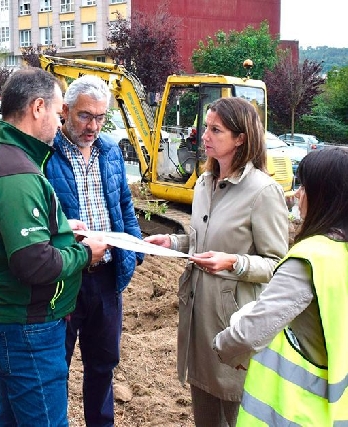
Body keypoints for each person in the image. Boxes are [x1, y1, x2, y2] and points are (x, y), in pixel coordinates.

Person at [0, 68, 109, 426]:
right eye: (60, 113)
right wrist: (85, 253)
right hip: (27, 326)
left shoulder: (3, 155)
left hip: (7, 317)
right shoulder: (18, 173)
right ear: (38, 108)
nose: (61, 124)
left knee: (14, 417)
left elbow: (14, 233)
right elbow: (31, 264)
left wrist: (60, 229)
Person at [144, 97, 290, 426]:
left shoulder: (263, 192)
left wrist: (233, 263)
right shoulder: (204, 183)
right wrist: (172, 241)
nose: (205, 136)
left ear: (241, 138)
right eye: (205, 128)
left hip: (234, 325)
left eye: (215, 130)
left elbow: (277, 266)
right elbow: (202, 240)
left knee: (235, 411)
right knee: (205, 413)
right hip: (199, 320)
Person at [213, 147, 348, 425]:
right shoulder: (340, 253)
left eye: (305, 187)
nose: (298, 194)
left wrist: (223, 347)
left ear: (326, 196)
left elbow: (250, 333)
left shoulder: (309, 259)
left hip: (294, 411)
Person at [44, 74, 144, 426]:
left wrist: (135, 251)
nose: (93, 126)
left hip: (106, 279)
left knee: (103, 365)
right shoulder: (46, 153)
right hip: (66, 278)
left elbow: (124, 205)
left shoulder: (110, 151)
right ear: (66, 111)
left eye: (101, 118)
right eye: (86, 116)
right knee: (57, 365)